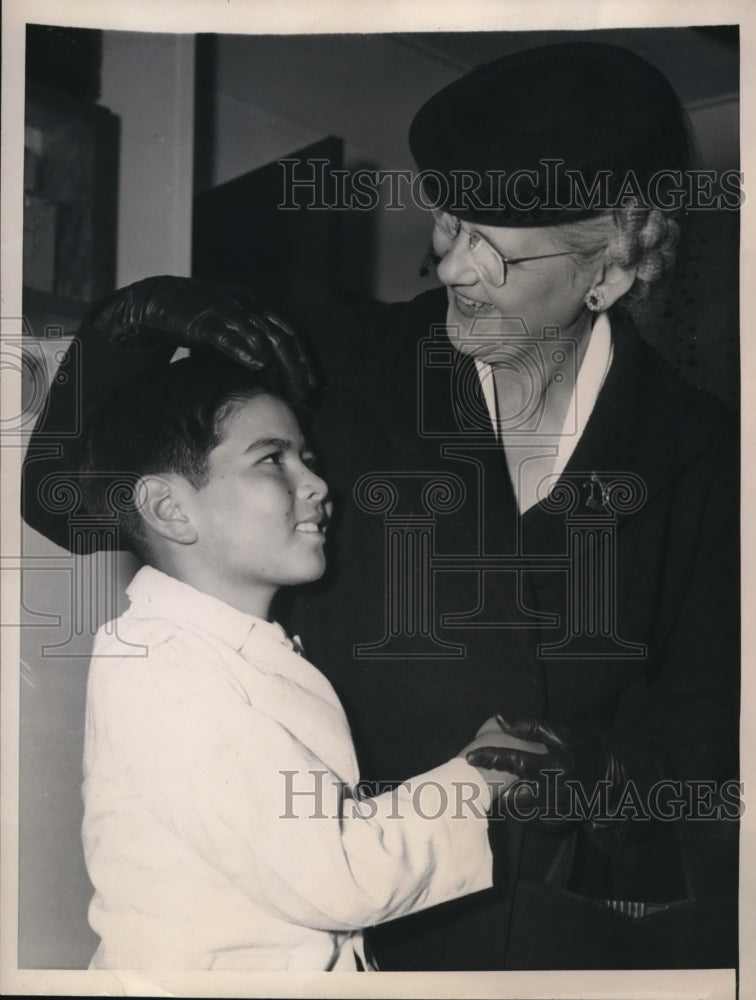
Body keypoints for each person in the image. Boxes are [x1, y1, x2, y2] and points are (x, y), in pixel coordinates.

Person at [23, 41, 739, 970]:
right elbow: (71, 508)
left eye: (497, 249)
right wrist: (128, 327)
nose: (454, 268)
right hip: (351, 935)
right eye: (451, 225)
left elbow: (707, 711)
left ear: (608, 271)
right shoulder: (332, 362)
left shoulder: (702, 446)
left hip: (570, 940)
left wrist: (606, 775)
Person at [76, 346, 541, 971]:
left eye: (307, 459)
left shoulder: (225, 648)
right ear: (169, 508)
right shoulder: (162, 671)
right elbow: (338, 876)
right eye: (272, 459)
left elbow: (313, 840)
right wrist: (477, 781)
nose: (318, 485)